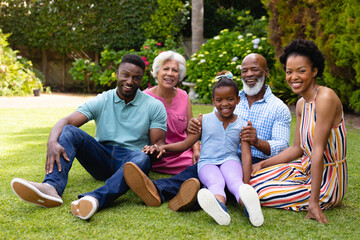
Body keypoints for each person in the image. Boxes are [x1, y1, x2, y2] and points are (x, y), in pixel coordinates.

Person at [123, 53, 291, 215]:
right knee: (198, 170)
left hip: (253, 160)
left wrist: (257, 141)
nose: (249, 74)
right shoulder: (229, 96)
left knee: (222, 181)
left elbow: (282, 145)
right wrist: (196, 127)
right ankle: (156, 189)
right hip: (220, 154)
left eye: (254, 69)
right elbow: (212, 124)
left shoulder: (278, 108)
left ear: (266, 72)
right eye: (244, 70)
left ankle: (189, 200)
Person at [10, 54, 167, 220]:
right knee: (69, 131)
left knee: (142, 158)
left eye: (136, 78)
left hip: (131, 160)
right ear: (117, 73)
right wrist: (52, 141)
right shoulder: (103, 99)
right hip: (101, 158)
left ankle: (94, 199)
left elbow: (158, 145)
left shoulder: (154, 106)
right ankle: (52, 187)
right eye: (125, 75)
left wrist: (155, 150)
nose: (129, 81)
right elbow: (67, 121)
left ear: (141, 79)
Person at [249, 39, 347, 224]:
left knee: (258, 191)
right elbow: (297, 148)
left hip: (328, 181)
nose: (294, 77)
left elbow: (318, 152)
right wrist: (263, 165)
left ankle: (312, 197)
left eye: (301, 71)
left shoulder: (325, 97)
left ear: (314, 71)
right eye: (289, 71)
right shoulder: (302, 103)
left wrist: (313, 203)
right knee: (248, 178)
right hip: (304, 168)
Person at [144, 76, 263, 226]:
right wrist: (163, 147)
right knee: (216, 182)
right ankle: (220, 208)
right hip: (207, 163)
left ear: (238, 100)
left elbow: (246, 157)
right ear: (213, 101)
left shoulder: (243, 125)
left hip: (230, 161)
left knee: (235, 182)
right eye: (219, 100)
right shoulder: (203, 120)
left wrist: (246, 185)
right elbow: (186, 144)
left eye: (230, 99)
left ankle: (248, 205)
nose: (224, 104)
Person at [143, 50, 200, 174]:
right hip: (159, 156)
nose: (170, 74)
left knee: (211, 158)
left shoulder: (184, 96)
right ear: (157, 72)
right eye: (165, 69)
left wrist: (196, 149)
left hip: (185, 151)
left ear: (179, 75)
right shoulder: (144, 98)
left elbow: (191, 130)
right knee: (203, 166)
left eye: (174, 70)